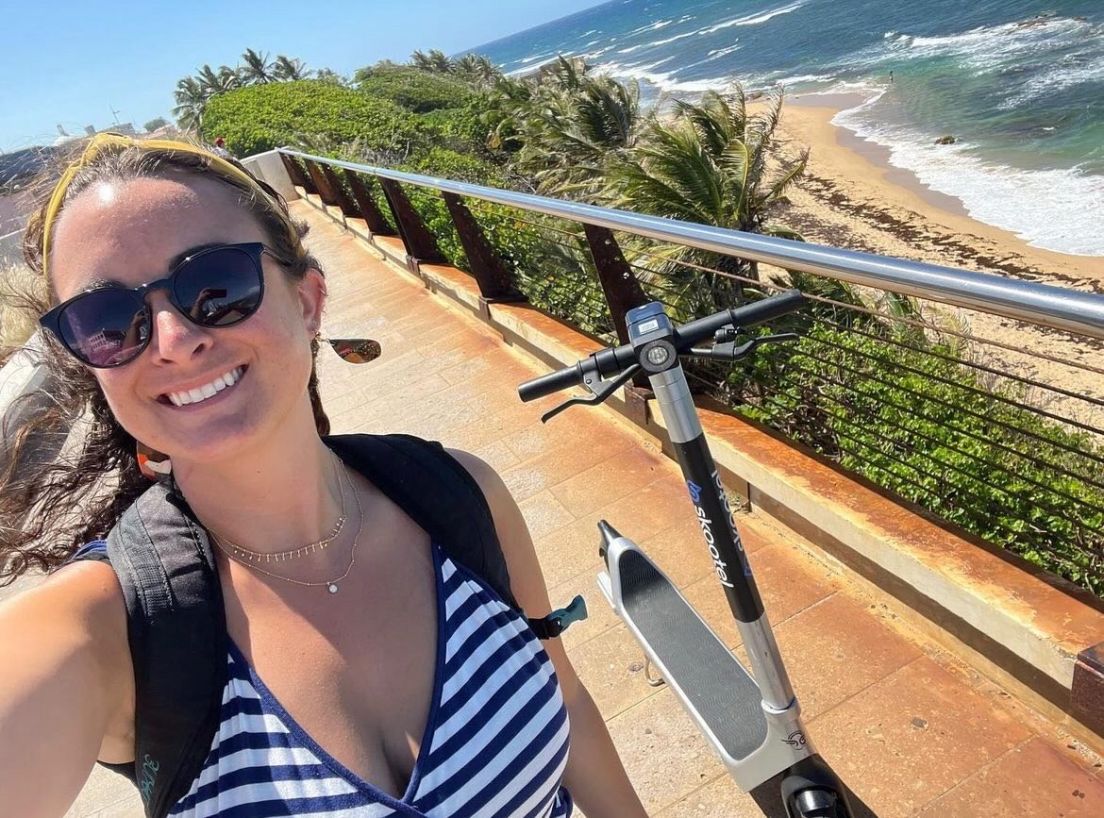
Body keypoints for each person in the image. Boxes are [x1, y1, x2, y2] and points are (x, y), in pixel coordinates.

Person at [0, 134, 649, 817]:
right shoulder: (107, 631)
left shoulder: (458, 495)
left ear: (308, 301)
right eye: (106, 321)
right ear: (89, 364)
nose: (173, 340)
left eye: (214, 286)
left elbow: (565, 698)